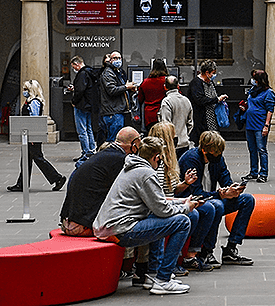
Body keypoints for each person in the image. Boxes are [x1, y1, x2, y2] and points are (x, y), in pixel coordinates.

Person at [93, 136, 199, 294]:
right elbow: (162, 209)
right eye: (160, 159)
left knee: (163, 220)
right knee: (182, 222)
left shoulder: (132, 167)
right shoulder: (147, 174)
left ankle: (154, 274)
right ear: (156, 157)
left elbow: (157, 202)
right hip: (120, 229)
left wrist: (181, 201)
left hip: (110, 226)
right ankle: (163, 280)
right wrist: (186, 208)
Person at [177, 131, 254, 266]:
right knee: (216, 205)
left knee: (247, 200)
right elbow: (196, 193)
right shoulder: (191, 159)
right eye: (214, 153)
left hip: (213, 197)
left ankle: (231, 248)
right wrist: (220, 194)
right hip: (194, 201)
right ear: (204, 150)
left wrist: (232, 190)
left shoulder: (218, 159)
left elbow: (225, 179)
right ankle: (207, 251)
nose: (218, 156)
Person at [148, 122, 215, 272]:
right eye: (173, 137)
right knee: (192, 215)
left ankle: (191, 255)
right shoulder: (157, 162)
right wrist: (183, 203)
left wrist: (185, 183)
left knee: (209, 208)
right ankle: (174, 260)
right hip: (161, 205)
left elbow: (172, 190)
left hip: (169, 201)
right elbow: (159, 195)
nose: (176, 139)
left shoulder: (169, 159)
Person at [60, 127, 142, 237]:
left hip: (69, 222)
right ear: (133, 144)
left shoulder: (104, 155)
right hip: (82, 225)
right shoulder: (120, 160)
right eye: (139, 144)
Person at [7, 80, 67, 192]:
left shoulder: (34, 102)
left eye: (26, 89)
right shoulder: (32, 101)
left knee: (37, 158)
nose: (24, 91)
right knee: (26, 159)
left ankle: (57, 178)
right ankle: (22, 183)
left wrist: (33, 137)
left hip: (32, 135)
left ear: (31, 90)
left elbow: (34, 120)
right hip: (30, 135)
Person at [242, 70, 275, 183]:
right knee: (252, 149)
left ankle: (263, 173)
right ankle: (253, 172)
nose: (252, 80)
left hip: (260, 124)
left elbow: (270, 110)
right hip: (250, 123)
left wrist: (266, 125)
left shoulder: (268, 93)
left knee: (261, 149)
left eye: (254, 78)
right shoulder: (253, 90)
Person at [187, 59, 228, 145]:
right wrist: (217, 100)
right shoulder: (196, 83)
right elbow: (200, 100)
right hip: (201, 120)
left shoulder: (210, 82)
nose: (214, 75)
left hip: (212, 119)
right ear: (207, 73)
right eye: (213, 73)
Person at [99, 51, 137, 142]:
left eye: (119, 58)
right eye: (115, 58)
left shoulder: (118, 72)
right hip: (113, 111)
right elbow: (111, 90)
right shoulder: (108, 73)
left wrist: (128, 88)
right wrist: (126, 87)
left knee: (116, 139)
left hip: (118, 110)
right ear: (110, 60)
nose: (118, 60)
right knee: (113, 140)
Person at [158, 75, 194, 159]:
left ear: (165, 87)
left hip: (172, 144)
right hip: (184, 142)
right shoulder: (186, 100)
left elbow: (166, 124)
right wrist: (184, 135)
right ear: (178, 86)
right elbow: (190, 123)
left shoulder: (166, 102)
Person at [70, 55, 97, 164]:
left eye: (74, 66)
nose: (74, 69)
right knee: (88, 128)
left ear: (77, 64)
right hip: (89, 105)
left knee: (82, 130)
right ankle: (91, 149)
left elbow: (80, 91)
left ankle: (86, 152)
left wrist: (74, 101)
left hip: (81, 105)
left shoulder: (82, 74)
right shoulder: (90, 72)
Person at [137, 59, 169, 132]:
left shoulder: (145, 82)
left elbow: (140, 99)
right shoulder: (167, 82)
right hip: (164, 113)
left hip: (149, 116)